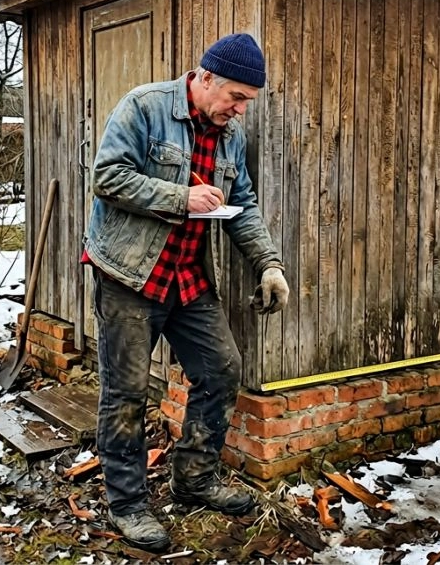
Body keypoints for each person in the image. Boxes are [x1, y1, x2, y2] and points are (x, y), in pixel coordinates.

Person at [83, 33, 290, 552]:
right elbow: (106, 177)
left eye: (248, 101)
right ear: (204, 78)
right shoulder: (145, 107)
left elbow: (241, 204)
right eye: (236, 97)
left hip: (188, 278)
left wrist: (268, 264)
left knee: (220, 369)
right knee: (126, 393)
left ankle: (194, 478)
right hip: (130, 277)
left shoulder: (229, 138)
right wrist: (182, 196)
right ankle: (128, 504)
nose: (240, 110)